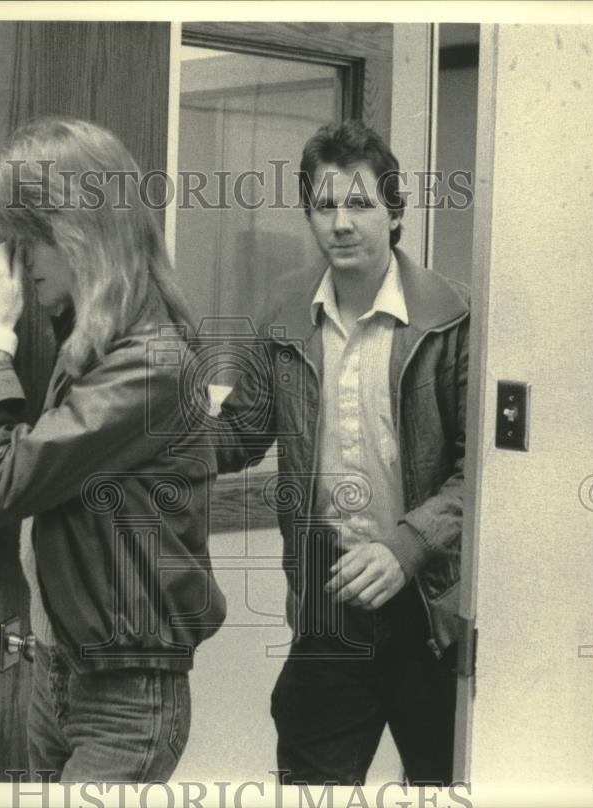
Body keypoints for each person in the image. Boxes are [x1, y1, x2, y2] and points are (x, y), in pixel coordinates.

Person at [0, 116, 226, 782]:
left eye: (27, 240)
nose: (13, 263)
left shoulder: (150, 368)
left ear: (79, 233)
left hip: (126, 700)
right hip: (64, 676)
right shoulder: (98, 351)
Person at [215, 120, 468, 785]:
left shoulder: (453, 320)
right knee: (310, 783)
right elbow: (239, 434)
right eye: (325, 205)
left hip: (430, 604)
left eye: (359, 203)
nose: (341, 223)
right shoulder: (285, 315)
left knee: (445, 785)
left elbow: (485, 479)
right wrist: (146, 411)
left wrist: (406, 548)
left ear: (395, 212)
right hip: (331, 601)